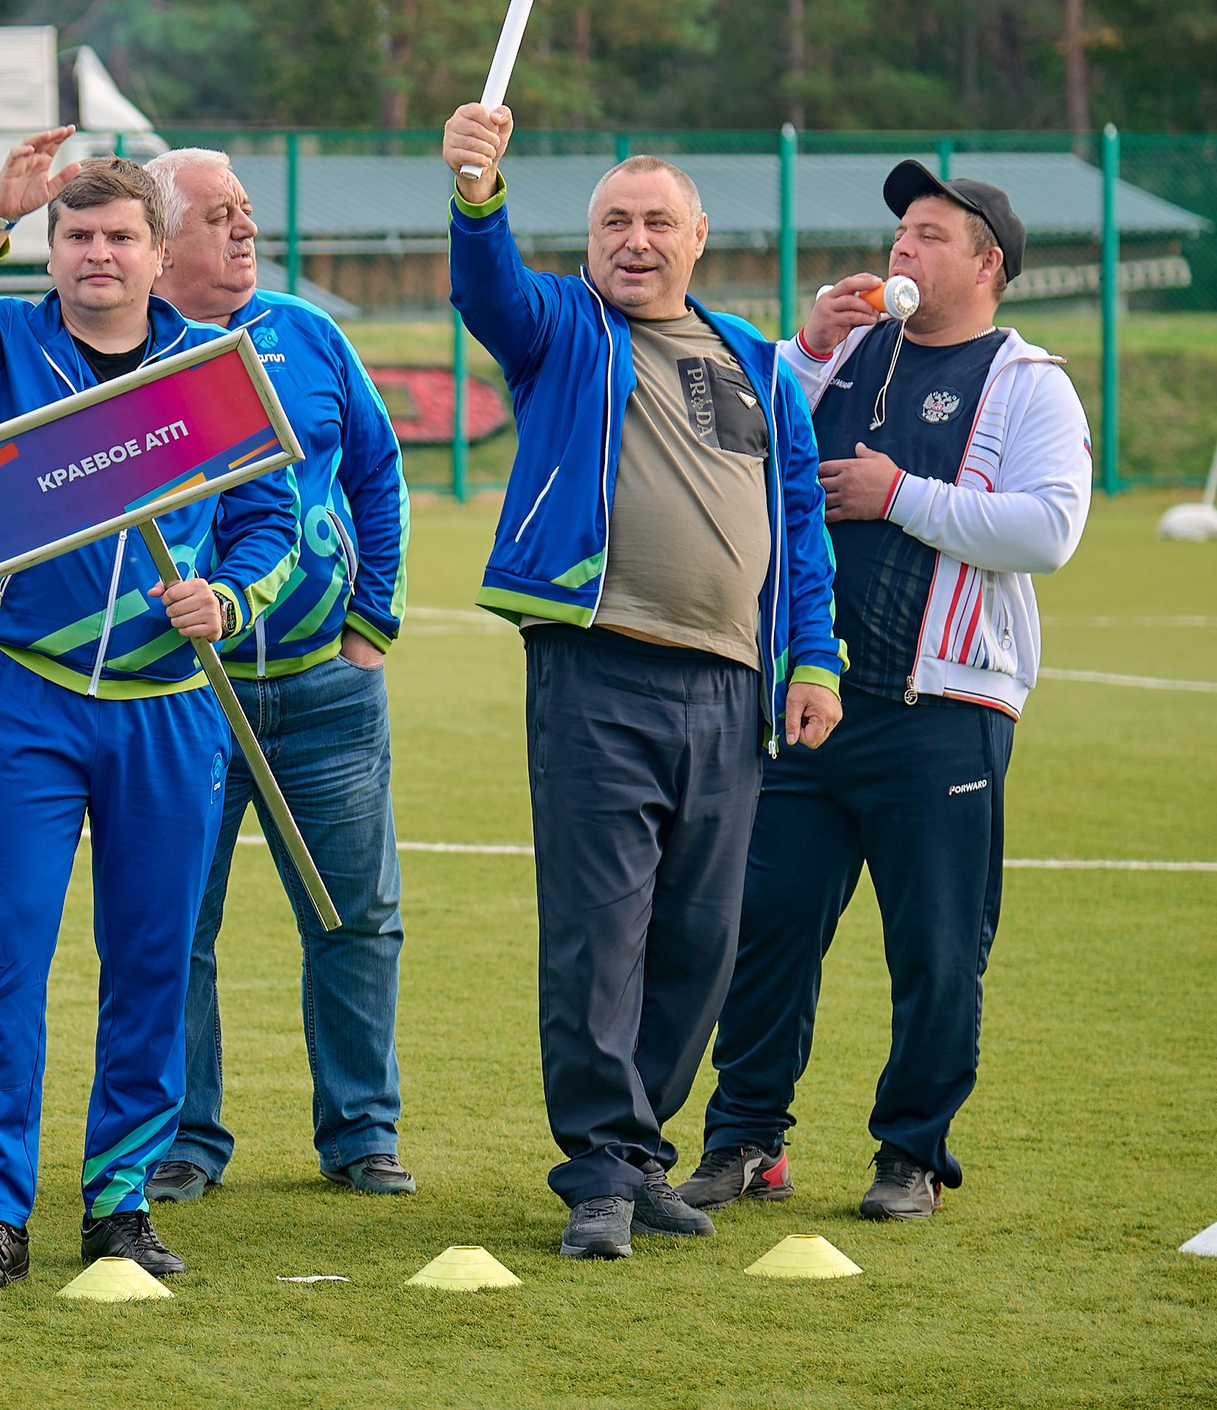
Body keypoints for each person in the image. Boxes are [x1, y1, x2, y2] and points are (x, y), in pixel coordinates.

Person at [0, 132, 299, 1295]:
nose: (97, 255)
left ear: (158, 249)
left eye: (120, 235)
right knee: (6, 959)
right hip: (24, 700)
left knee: (152, 961)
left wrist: (229, 594)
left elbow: (274, 524)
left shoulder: (211, 372)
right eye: (76, 236)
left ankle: (119, 1200)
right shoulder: (6, 340)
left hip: (167, 709)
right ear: (55, 249)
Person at [442, 102, 844, 1263]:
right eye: (614, 220)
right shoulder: (561, 327)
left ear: (698, 235)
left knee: (699, 939)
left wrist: (810, 656)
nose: (635, 238)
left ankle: (636, 1152)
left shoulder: (760, 367)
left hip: (730, 693)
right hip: (594, 669)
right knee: (598, 933)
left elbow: (800, 526)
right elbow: (488, 292)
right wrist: (479, 194)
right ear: (590, 242)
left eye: (656, 221)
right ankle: (603, 1170)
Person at [680, 164, 1090, 1223]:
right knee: (763, 930)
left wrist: (897, 494)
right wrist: (808, 346)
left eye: (929, 234)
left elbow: (1049, 528)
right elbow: (734, 433)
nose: (901, 249)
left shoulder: (1027, 380)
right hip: (812, 705)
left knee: (937, 948)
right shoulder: (849, 353)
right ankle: (745, 1142)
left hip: (942, 715)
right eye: (900, 231)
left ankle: (910, 1153)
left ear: (987, 262)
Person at [131, 148, 416, 1205]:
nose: (243, 230)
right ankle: (182, 1138)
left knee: (355, 918)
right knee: (174, 926)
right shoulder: (127, 363)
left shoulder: (309, 335)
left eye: (246, 212)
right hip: (184, 700)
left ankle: (361, 1132)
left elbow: (376, 470)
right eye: (216, 216)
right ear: (159, 247)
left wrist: (372, 621)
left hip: (327, 690)